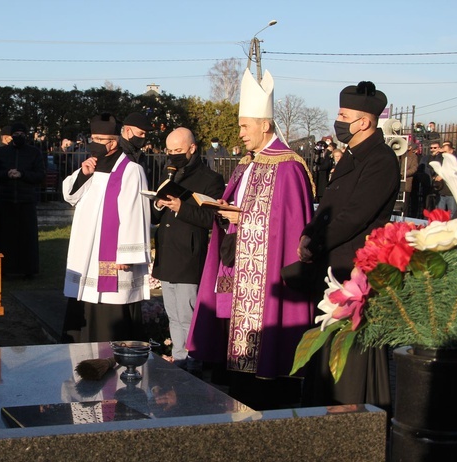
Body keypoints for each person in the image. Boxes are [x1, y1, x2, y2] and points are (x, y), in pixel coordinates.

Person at [185, 69, 315, 410]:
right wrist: (225, 210)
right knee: (234, 359)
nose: (240, 133)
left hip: (264, 275)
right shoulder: (246, 163)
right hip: (236, 267)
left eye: (245, 126)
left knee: (263, 369)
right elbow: (244, 207)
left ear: (265, 126)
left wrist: (242, 218)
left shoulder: (289, 167)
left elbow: (288, 226)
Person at [298, 81, 399, 410]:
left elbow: (355, 215)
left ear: (365, 122)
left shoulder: (381, 160)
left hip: (355, 269)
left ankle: (350, 416)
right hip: (332, 266)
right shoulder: (352, 156)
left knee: (350, 355)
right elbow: (328, 204)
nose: (338, 121)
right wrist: (309, 231)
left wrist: (315, 242)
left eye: (343, 115)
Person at [62, 113, 151, 342]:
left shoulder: (130, 170)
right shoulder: (90, 165)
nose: (94, 144)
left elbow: (135, 212)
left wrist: (127, 253)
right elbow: (69, 195)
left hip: (112, 256)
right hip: (86, 251)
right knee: (85, 298)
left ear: (112, 142)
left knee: (110, 300)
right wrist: (83, 174)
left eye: (99, 139)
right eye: (92, 138)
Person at [151, 127, 225, 371]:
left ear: (192, 148)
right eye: (169, 151)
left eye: (178, 151)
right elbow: (155, 215)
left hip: (189, 254)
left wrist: (181, 207)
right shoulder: (169, 172)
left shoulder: (210, 179)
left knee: (187, 315)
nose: (173, 156)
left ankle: (192, 362)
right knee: (173, 315)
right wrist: (159, 204)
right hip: (168, 252)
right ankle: (178, 357)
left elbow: (209, 218)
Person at [0, 122, 45, 277]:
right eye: (16, 134)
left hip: (25, 201)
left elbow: (40, 175)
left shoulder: (34, 153)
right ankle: (5, 269)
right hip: (5, 201)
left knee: (26, 239)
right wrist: (7, 174)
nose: (19, 137)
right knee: (5, 239)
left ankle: (27, 270)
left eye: (22, 134)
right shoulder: (1, 152)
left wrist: (22, 174)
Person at [434, 141, 457, 218]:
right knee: (439, 214)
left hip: (451, 192)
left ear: (451, 151)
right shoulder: (441, 158)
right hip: (441, 191)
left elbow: (456, 172)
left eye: (446, 151)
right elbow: (432, 165)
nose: (444, 153)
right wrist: (437, 153)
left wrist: (443, 175)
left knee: (452, 214)